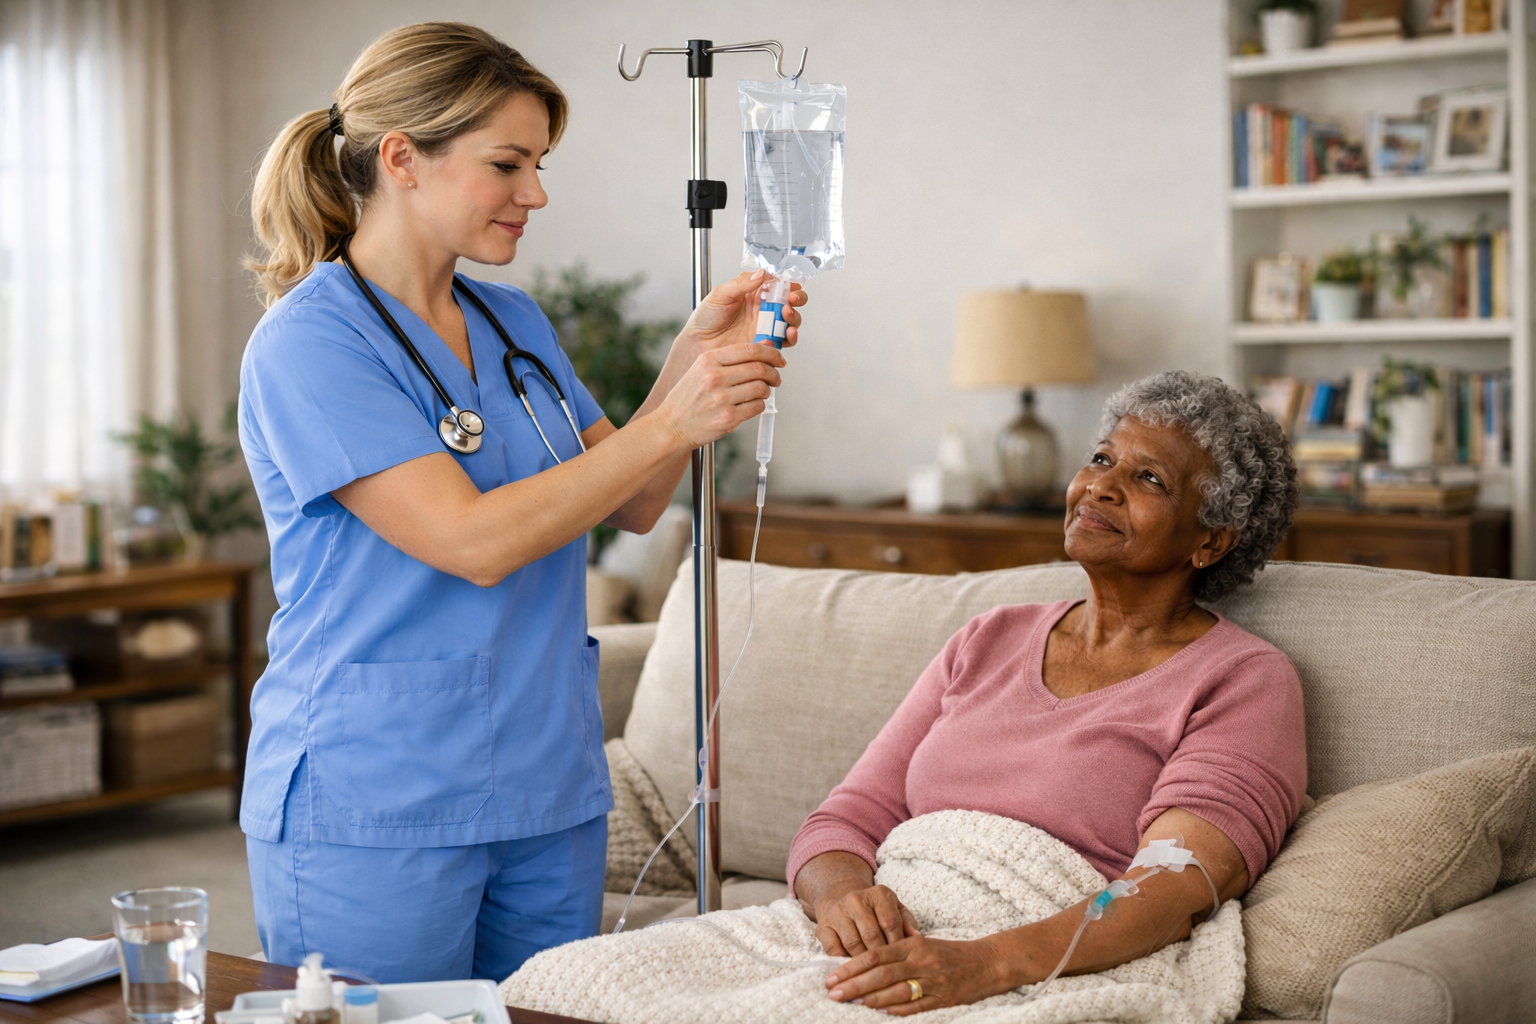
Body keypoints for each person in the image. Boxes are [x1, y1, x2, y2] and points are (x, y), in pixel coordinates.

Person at [237, 22, 805, 983]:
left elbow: (630, 499)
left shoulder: (513, 321)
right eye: (509, 164)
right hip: (378, 794)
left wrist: (688, 363)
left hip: (547, 786)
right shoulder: (311, 343)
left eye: (539, 164)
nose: (535, 194)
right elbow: (470, 542)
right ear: (403, 158)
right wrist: (672, 422)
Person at [789, 371, 1304, 1014]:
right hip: (892, 943)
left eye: (1149, 479)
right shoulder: (988, 637)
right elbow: (842, 823)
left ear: (1211, 540)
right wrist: (843, 899)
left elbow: (1173, 884)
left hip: (1044, 962)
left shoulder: (1242, 679)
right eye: (1101, 459)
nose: (1102, 487)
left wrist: (986, 962)